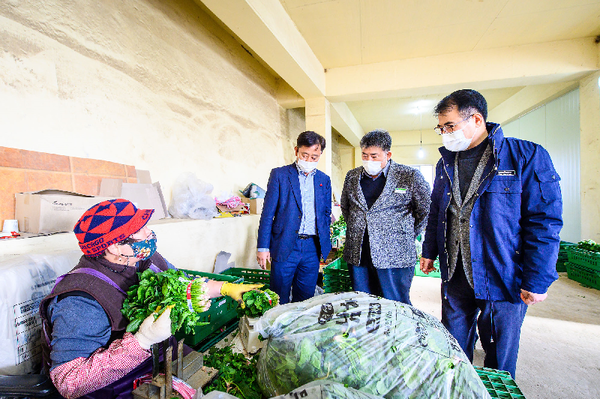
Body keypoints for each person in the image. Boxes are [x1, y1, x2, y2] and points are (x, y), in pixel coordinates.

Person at [39, 199, 262, 399]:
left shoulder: (141, 258)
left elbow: (181, 282)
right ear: (115, 246)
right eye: (140, 229)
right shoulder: (80, 300)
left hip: (159, 357)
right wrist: (141, 341)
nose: (149, 233)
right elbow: (68, 382)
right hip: (117, 384)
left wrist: (223, 288)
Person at [420, 89, 563, 378]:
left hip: (501, 271)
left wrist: (538, 278)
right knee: (454, 348)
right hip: (456, 272)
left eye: (450, 126)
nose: (445, 134)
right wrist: (429, 251)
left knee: (499, 352)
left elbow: (544, 221)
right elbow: (438, 210)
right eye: (441, 128)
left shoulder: (524, 155)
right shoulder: (446, 162)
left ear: (476, 119)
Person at [340, 129, 431, 305]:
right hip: (359, 253)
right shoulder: (352, 176)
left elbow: (425, 210)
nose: (368, 160)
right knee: (363, 303)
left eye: (374, 156)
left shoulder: (409, 176)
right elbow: (346, 208)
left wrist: (404, 233)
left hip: (395, 254)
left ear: (388, 154)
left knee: (395, 304)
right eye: (365, 155)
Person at [256, 131, 332, 304]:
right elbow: (268, 214)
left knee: (305, 297)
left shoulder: (324, 180)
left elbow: (326, 213)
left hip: (312, 247)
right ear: (296, 150)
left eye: (314, 157)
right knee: (278, 295)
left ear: (320, 155)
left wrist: (325, 243)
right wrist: (262, 247)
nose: (309, 160)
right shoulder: (280, 175)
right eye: (305, 155)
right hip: (285, 244)